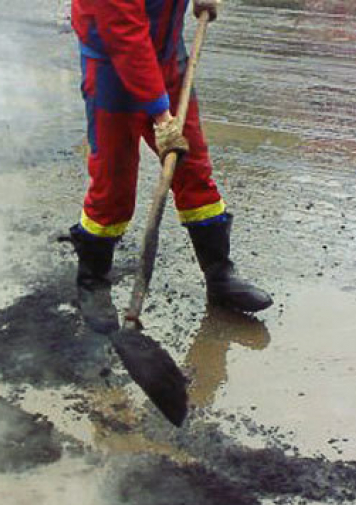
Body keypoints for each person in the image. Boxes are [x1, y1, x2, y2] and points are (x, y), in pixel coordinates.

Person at [69, 0, 272, 333]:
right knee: (113, 182)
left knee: (193, 170)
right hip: (112, 64)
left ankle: (219, 276)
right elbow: (124, 34)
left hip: (166, 54)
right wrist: (161, 116)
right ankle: (93, 283)